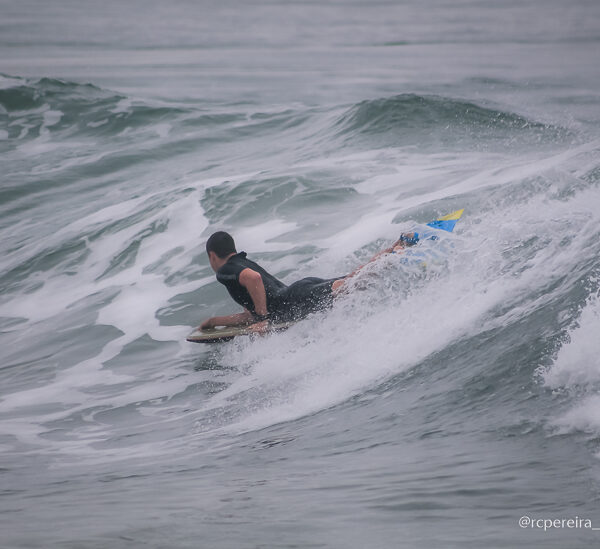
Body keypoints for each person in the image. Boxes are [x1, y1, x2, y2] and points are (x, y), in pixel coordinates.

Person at [199, 230, 417, 333]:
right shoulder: (241, 263)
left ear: (212, 256)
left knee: (354, 284)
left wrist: (264, 319)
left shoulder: (226, 270)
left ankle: (396, 254)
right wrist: (215, 321)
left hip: (295, 300)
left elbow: (253, 280)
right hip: (298, 293)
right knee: (354, 279)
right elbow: (250, 314)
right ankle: (396, 247)